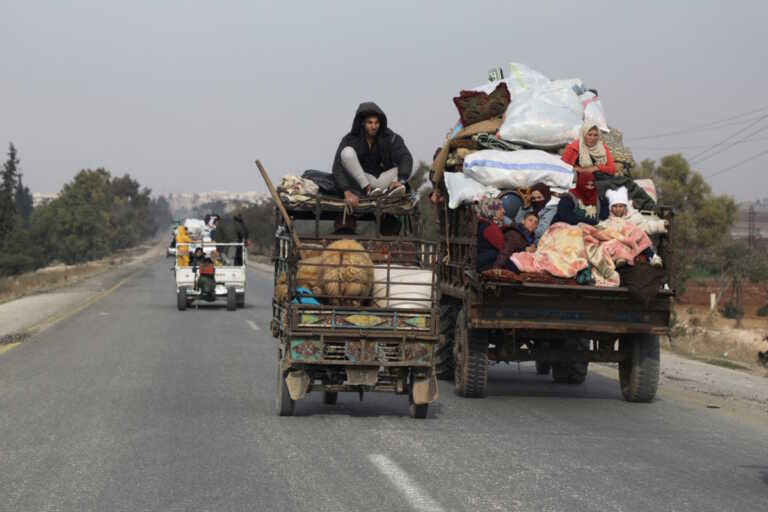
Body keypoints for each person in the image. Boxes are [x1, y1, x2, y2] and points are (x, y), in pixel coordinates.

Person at [332, 102, 413, 207]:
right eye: (370, 123)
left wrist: (401, 180)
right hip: (363, 182)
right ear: (362, 123)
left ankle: (392, 191)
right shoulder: (350, 139)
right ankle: (369, 191)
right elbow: (337, 167)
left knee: (412, 161)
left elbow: (404, 157)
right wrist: (346, 192)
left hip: (383, 181)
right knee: (346, 152)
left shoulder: (389, 137)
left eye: (376, 123)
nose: (374, 126)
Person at [600, 187, 663, 267]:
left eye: (620, 206)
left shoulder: (633, 217)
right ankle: (620, 259)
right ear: (611, 208)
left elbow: (646, 226)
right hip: (618, 243)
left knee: (640, 234)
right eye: (615, 206)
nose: (618, 209)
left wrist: (661, 225)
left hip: (632, 243)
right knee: (612, 243)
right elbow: (603, 228)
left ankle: (652, 257)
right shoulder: (609, 220)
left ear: (625, 207)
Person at [474, 197, 506, 272]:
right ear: (492, 211)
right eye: (500, 209)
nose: (504, 211)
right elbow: (502, 247)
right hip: (486, 266)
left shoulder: (483, 223)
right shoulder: (490, 228)